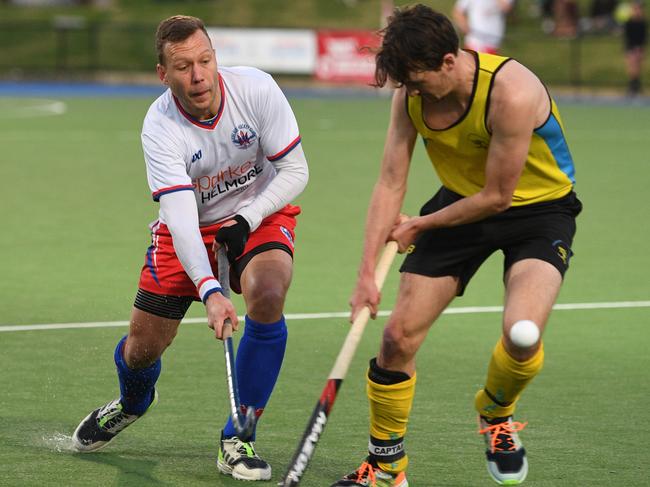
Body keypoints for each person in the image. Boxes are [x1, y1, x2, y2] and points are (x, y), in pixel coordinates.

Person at [332, 4, 581, 487]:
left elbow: (498, 196)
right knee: (396, 338)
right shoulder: (409, 96)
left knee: (522, 333)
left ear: (450, 60)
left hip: (539, 211)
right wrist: (365, 274)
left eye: (418, 80)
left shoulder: (512, 92)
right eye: (406, 83)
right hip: (459, 205)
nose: (413, 91)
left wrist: (420, 225)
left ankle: (496, 412)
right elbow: (389, 182)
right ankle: (386, 468)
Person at [71, 15, 309, 482]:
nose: (198, 76)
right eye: (183, 67)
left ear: (215, 56)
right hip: (190, 228)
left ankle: (239, 435)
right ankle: (133, 401)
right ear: (163, 74)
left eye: (205, 60)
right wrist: (210, 291)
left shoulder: (256, 90)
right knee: (142, 350)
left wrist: (247, 218)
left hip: (258, 211)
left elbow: (295, 171)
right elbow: (180, 222)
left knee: (269, 293)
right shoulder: (160, 126)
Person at [622, 1, 647, 96]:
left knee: (638, 66)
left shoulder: (643, 23)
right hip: (630, 48)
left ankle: (636, 85)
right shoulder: (629, 23)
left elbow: (643, 38)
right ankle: (632, 86)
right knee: (632, 66)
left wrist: (640, 49)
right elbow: (628, 38)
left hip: (639, 49)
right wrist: (632, 49)